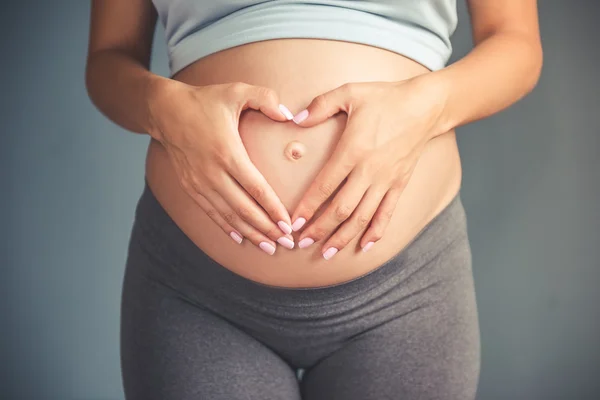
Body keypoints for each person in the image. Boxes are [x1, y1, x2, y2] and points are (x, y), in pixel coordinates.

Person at [85, 0, 542, 399]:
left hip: (404, 290)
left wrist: (425, 105)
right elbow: (108, 59)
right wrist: (163, 107)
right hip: (196, 292)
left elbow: (516, 43)